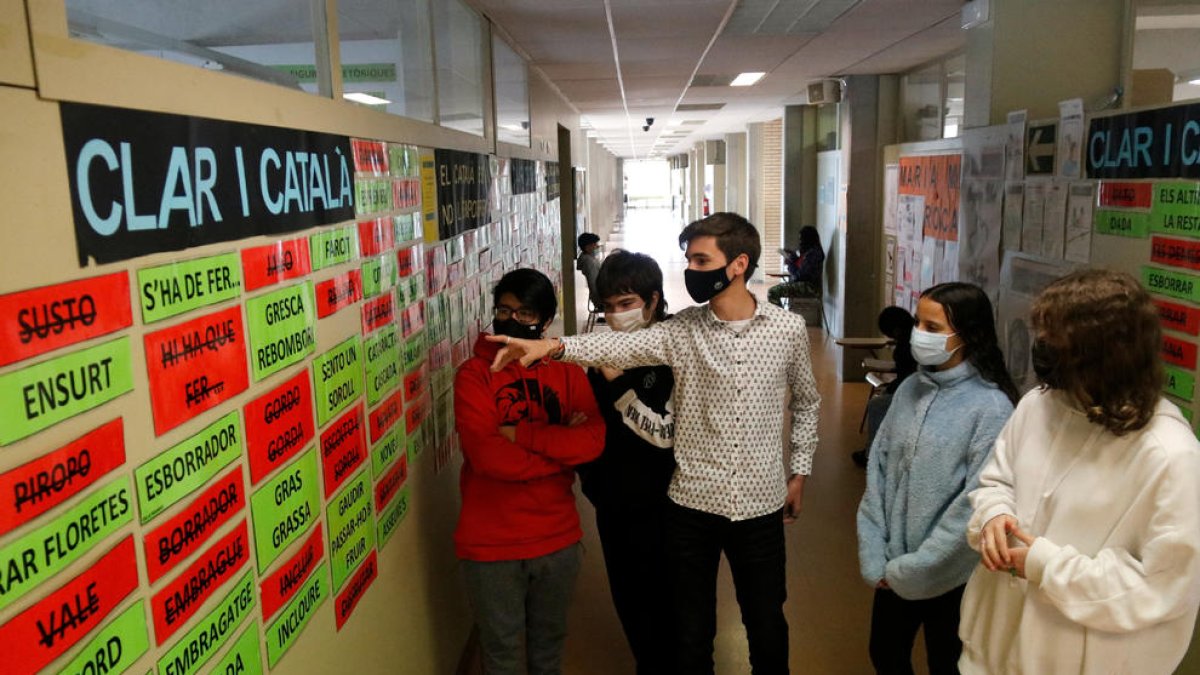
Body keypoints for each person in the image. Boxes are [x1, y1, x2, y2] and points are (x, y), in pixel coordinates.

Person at [488, 212, 821, 675]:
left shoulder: (787, 332)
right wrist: (552, 348)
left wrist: (799, 472)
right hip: (691, 508)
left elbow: (806, 402)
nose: (692, 268)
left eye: (702, 259)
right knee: (691, 633)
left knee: (766, 624)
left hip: (761, 506)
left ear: (739, 263)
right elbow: (615, 349)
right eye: (688, 259)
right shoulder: (682, 330)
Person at [959, 269, 1200, 675]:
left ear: (1104, 353)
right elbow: (996, 480)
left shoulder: (1170, 454)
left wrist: (1044, 565)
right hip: (992, 649)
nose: (1042, 350)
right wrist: (994, 515)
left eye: (1056, 341)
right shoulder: (1038, 405)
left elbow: (1160, 588)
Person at [856, 282, 1018, 674]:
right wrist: (876, 553)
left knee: (948, 663)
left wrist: (917, 567)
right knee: (886, 655)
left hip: (951, 574)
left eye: (933, 327)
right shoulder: (911, 388)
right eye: (918, 323)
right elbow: (877, 472)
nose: (918, 334)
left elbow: (974, 503)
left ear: (967, 335)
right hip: (892, 566)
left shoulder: (991, 407)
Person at [453, 268, 606, 675]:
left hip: (557, 539)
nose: (512, 320)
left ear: (545, 319)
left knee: (547, 650)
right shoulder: (473, 375)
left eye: (525, 314)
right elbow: (488, 458)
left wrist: (518, 434)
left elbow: (592, 442)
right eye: (504, 310)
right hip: (490, 544)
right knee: (501, 655)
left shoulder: (568, 371)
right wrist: (559, 449)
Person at [576, 250, 676, 674]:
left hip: (671, 503)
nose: (617, 315)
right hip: (615, 502)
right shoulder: (600, 357)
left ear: (653, 301)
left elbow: (666, 435)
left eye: (627, 303)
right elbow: (588, 424)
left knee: (671, 597)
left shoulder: (675, 350)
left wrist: (620, 384)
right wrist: (595, 483)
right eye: (609, 307)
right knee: (630, 596)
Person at [852, 306, 918, 468]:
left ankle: (871, 454)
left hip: (913, 390)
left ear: (895, 330)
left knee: (876, 405)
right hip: (910, 385)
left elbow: (907, 376)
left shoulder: (906, 346)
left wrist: (890, 388)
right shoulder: (911, 337)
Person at [768, 225, 825, 307]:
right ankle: (781, 316)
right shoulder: (809, 251)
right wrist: (792, 257)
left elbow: (799, 276)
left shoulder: (813, 254)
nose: (800, 242)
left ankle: (781, 318)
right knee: (774, 291)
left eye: (802, 239)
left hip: (810, 288)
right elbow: (797, 259)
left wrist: (790, 263)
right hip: (805, 285)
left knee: (772, 292)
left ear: (808, 239)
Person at [577, 232, 602, 308]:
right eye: (595, 244)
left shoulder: (588, 258)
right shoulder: (589, 262)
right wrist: (599, 302)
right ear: (588, 247)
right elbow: (593, 284)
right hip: (601, 299)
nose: (598, 246)